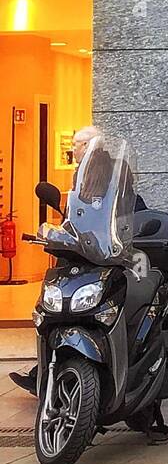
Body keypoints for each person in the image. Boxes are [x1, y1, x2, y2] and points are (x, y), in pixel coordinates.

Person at [11, 124, 102, 396]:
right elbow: (75, 215)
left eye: (76, 144)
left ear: (88, 146)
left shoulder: (103, 173)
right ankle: (43, 368)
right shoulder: (84, 172)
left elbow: (105, 210)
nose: (72, 149)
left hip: (97, 252)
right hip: (83, 248)